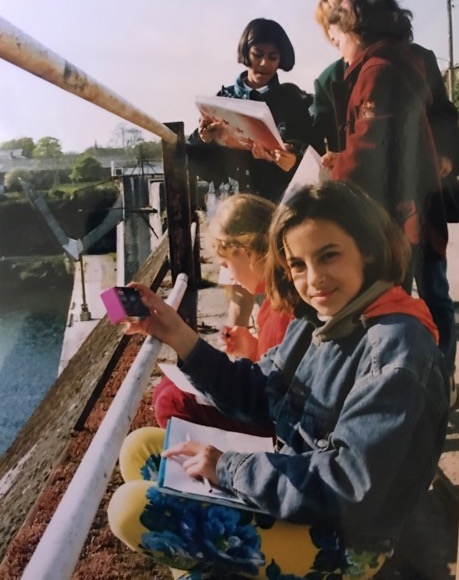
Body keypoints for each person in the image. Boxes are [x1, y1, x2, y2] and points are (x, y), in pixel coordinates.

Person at [108, 181, 448, 580]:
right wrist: (177, 334)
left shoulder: (395, 350)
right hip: (305, 491)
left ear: (368, 249)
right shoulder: (318, 319)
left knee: (132, 510)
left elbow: (348, 485)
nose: (314, 278)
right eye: (298, 264)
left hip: (350, 539)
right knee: (142, 450)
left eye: (329, 255)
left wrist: (229, 468)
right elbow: (262, 392)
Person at [316, 0, 457, 398]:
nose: (337, 49)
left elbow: (370, 145)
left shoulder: (377, 70)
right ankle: (435, 380)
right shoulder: (386, 63)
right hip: (413, 202)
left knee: (402, 296)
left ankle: (424, 384)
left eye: (338, 39)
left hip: (403, 210)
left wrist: (337, 170)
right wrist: (344, 156)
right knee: (422, 292)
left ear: (355, 30)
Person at [188, 17, 314, 329]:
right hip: (234, 208)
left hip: (276, 207)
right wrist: (203, 138)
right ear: (246, 52)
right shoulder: (223, 98)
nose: (264, 64)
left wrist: (286, 156)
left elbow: (305, 152)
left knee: (283, 292)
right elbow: (195, 162)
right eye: (257, 54)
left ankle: (277, 351)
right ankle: (238, 351)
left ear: (282, 58)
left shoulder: (294, 100)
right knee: (239, 297)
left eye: (273, 56)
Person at [152, 193, 293, 434]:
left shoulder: (284, 310)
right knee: (166, 388)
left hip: (275, 422)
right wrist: (252, 349)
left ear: (248, 252)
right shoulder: (275, 300)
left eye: (226, 265)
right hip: (269, 407)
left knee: (171, 401)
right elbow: (277, 364)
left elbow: (272, 388)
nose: (230, 276)